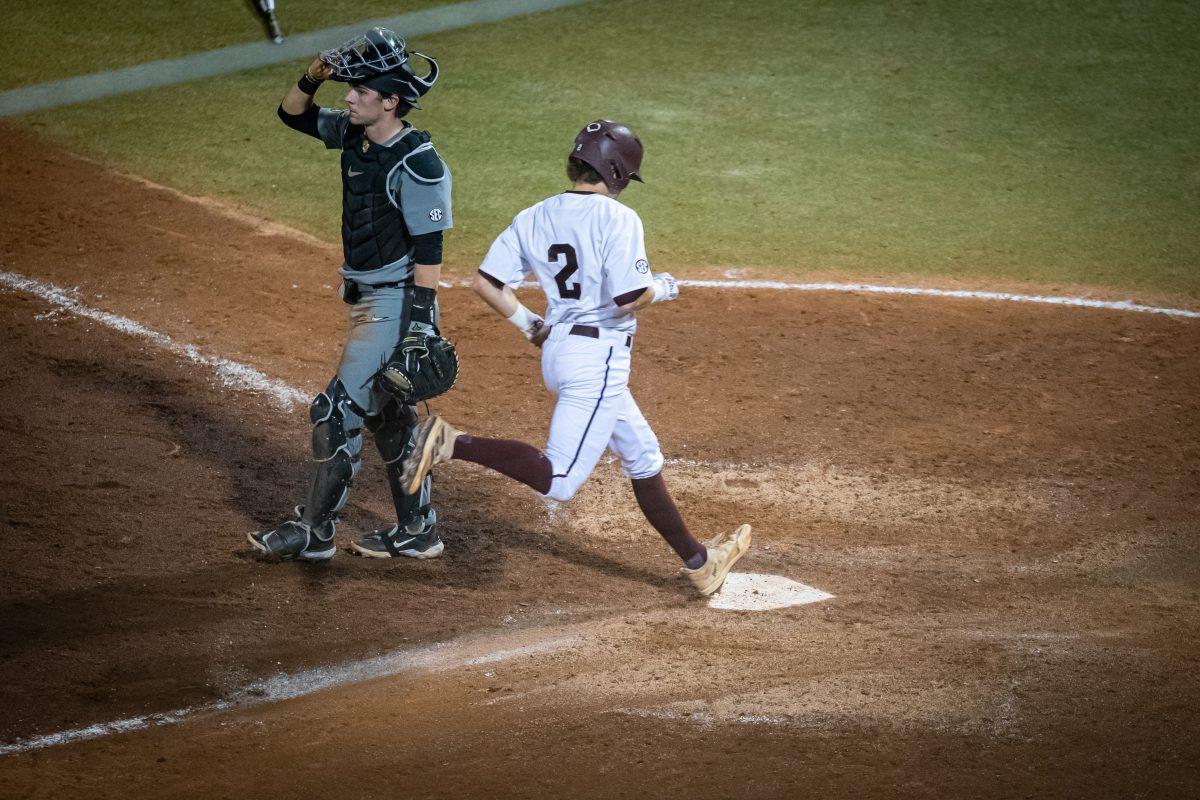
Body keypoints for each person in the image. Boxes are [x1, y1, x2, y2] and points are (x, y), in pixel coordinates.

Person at [398, 120, 751, 596]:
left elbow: (486, 283)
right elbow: (629, 297)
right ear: (617, 173)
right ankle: (451, 443)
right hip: (598, 358)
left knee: (642, 455)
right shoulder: (618, 218)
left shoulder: (534, 215)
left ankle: (700, 562)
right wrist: (665, 288)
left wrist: (532, 327)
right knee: (560, 478)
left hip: (560, 348)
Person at [248, 28, 453, 561]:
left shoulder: (419, 162)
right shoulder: (355, 135)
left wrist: (417, 326)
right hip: (365, 298)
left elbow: (429, 252)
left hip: (396, 302)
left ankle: (314, 532)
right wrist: (313, 72)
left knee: (335, 413)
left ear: (389, 101)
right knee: (386, 417)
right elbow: (292, 114)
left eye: (360, 91)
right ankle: (419, 529)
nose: (348, 96)